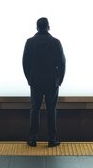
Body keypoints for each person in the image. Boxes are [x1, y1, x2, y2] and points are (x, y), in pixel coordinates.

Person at [22, 17, 66, 148]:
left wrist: (29, 79)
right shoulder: (55, 42)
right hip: (52, 82)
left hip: (35, 81)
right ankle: (52, 139)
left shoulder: (30, 42)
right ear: (48, 27)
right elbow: (62, 63)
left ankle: (32, 139)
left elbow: (25, 63)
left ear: (37, 27)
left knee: (35, 109)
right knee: (51, 110)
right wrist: (59, 80)